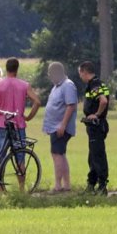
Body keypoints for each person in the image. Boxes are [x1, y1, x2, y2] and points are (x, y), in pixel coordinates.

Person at [0, 58, 41, 184]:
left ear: (6, 69)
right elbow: (37, 102)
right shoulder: (24, 85)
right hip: (18, 125)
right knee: (20, 158)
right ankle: (21, 188)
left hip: (1, 124)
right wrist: (28, 117)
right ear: (17, 69)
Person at [42, 62, 77, 192]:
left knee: (57, 155)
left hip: (60, 127)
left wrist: (63, 125)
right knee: (60, 154)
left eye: (50, 74)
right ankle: (66, 185)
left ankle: (58, 185)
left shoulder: (68, 85)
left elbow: (71, 106)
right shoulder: (56, 86)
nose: (49, 76)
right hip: (54, 127)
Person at [78, 61, 110, 195]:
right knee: (93, 157)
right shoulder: (98, 83)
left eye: (80, 73)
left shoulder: (94, 84)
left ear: (84, 72)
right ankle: (91, 184)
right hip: (95, 126)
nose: (80, 76)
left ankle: (102, 186)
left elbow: (103, 100)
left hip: (97, 125)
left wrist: (95, 115)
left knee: (98, 156)